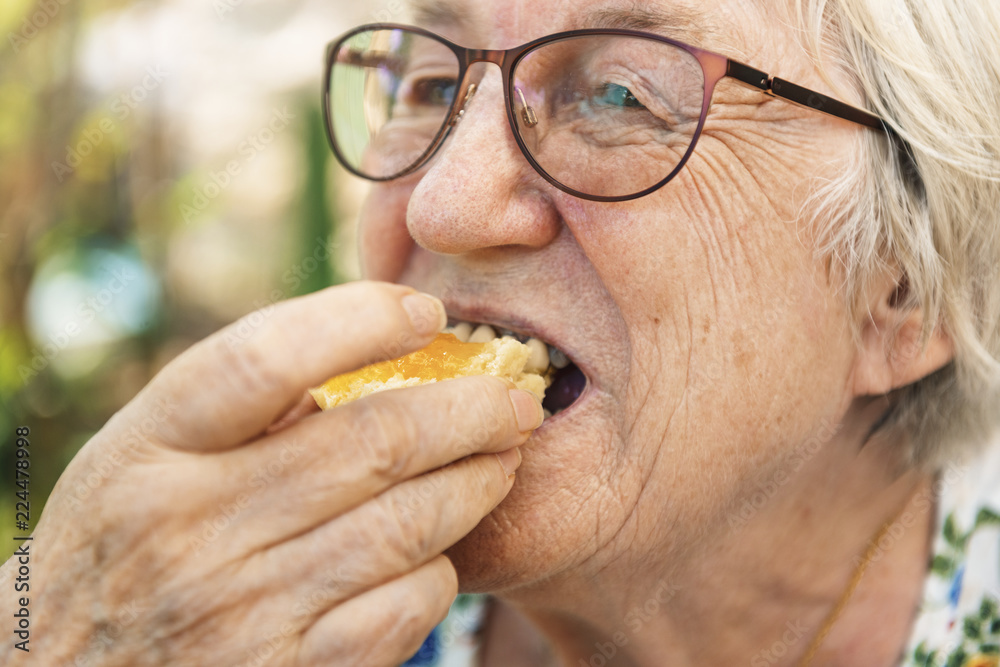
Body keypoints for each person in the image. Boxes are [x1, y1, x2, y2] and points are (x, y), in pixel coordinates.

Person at [3, 0, 999, 665]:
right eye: (432, 87)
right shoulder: (223, 618)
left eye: (620, 94)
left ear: (905, 289)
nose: (441, 205)